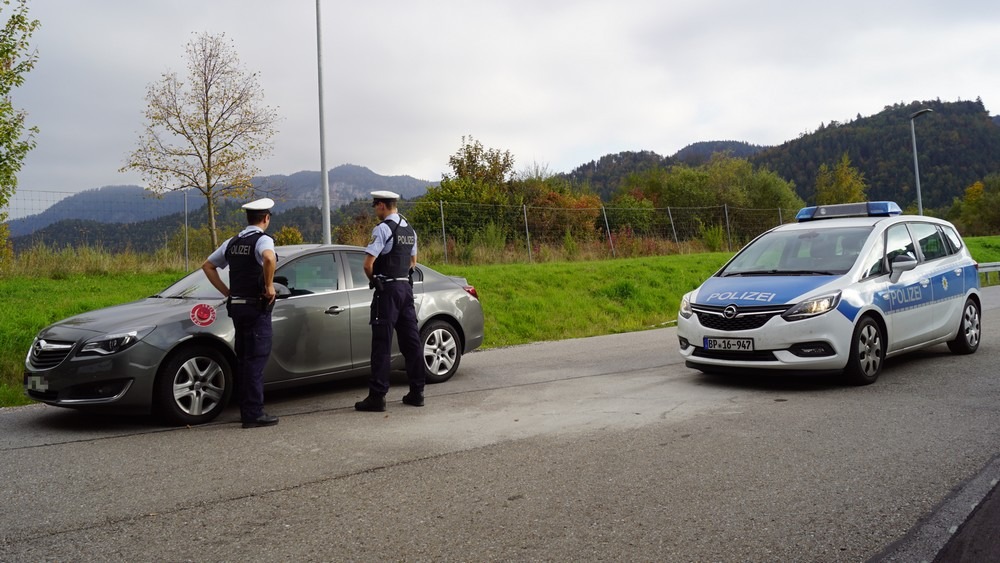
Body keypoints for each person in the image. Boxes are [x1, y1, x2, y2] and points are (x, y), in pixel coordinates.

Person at [201, 198, 280, 428]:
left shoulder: (232, 242)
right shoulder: (263, 239)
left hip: (237, 306)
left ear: (248, 218)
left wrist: (227, 291)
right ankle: (253, 414)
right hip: (256, 307)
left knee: (244, 360)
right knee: (256, 360)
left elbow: (207, 266)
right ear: (266, 218)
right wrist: (269, 286)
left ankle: (246, 408)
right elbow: (268, 258)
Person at [355, 190, 425, 412]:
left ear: (383, 205)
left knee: (381, 345)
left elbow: (368, 264)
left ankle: (377, 396)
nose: (375, 210)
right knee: (411, 343)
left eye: (376, 206)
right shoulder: (409, 229)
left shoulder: (383, 228)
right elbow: (413, 261)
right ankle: (417, 392)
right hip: (405, 289)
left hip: (388, 291)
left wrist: (374, 280)